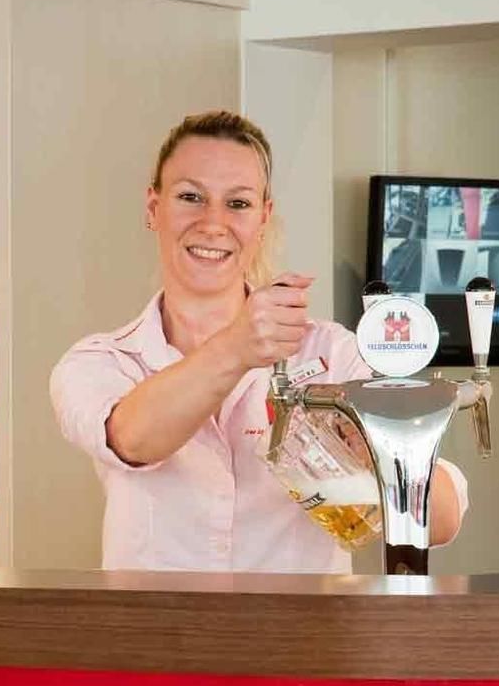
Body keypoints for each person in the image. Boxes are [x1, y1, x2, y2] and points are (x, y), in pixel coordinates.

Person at [50, 109, 467, 573]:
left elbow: (441, 521)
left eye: (238, 203)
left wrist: (373, 448)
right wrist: (237, 347)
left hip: (300, 622)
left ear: (263, 217)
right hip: (158, 623)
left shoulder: (331, 354)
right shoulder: (101, 361)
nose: (213, 223)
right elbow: (132, 440)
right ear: (153, 208)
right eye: (190, 197)